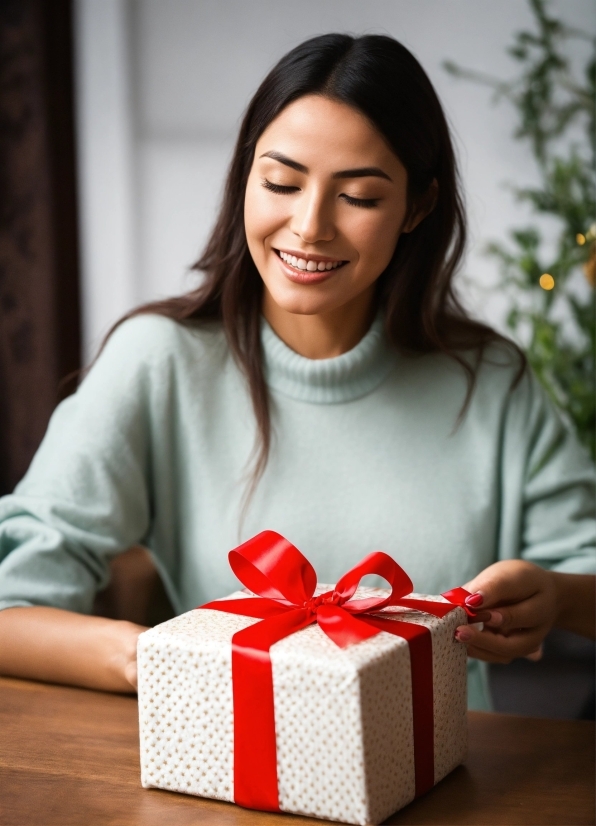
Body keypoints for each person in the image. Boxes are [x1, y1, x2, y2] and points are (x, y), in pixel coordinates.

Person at [0, 34, 594, 709]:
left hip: (451, 790)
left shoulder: (489, 380)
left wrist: (558, 596)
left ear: (418, 207)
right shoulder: (158, 362)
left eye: (361, 198)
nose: (309, 226)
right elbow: (9, 607)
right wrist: (158, 657)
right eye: (281, 182)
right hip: (228, 785)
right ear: (244, 177)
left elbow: (583, 564)